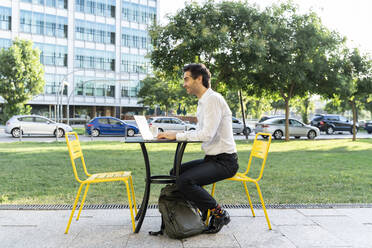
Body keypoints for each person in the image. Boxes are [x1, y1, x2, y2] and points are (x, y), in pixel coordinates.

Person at [157, 63, 239, 234]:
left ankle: (219, 214)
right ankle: (197, 212)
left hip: (225, 162)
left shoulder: (213, 99)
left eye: (186, 79)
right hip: (212, 159)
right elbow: (201, 130)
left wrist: (177, 136)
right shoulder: (203, 102)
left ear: (199, 79)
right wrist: (176, 132)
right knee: (176, 171)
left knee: (185, 180)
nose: (184, 83)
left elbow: (207, 134)